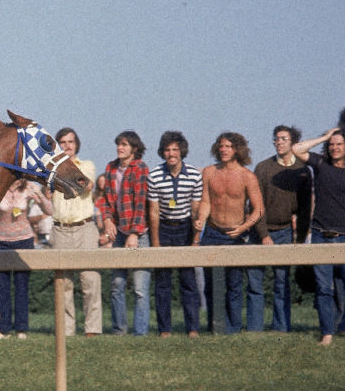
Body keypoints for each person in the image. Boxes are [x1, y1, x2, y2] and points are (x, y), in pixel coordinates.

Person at [194, 132, 263, 334]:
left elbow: (258, 209)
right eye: (221, 146)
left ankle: (232, 328)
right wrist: (201, 219)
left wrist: (243, 228)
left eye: (229, 146)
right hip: (213, 233)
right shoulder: (209, 172)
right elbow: (206, 201)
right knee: (211, 285)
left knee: (233, 284)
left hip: (236, 234)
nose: (224, 150)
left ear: (238, 150)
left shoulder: (247, 176)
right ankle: (215, 327)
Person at [253, 126, 311, 333]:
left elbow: (304, 208)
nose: (278, 142)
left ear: (293, 143)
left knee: (282, 282)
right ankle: (255, 329)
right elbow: (256, 205)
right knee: (255, 283)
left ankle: (281, 328)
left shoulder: (303, 171)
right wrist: (264, 234)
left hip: (286, 232)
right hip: (260, 232)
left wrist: (300, 237)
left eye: (283, 139)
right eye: (276, 139)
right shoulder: (262, 168)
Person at [292, 127, 345, 346]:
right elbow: (297, 149)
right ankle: (327, 333)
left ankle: (341, 327)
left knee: (343, 288)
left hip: (344, 237)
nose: (334, 147)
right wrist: (324, 136)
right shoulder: (321, 164)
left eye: (339, 143)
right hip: (321, 236)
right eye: (331, 144)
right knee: (324, 288)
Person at [147, 131, 203, 338]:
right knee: (162, 283)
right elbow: (153, 211)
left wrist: (195, 239)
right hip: (163, 227)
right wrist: (155, 242)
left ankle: (193, 328)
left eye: (175, 150)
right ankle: (165, 330)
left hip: (185, 228)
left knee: (188, 281)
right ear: (162, 152)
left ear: (182, 152)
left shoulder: (195, 175)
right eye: (167, 150)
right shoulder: (154, 175)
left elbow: (196, 210)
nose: (171, 154)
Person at [49, 128, 102, 337]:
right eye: (62, 142)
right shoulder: (52, 169)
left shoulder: (87, 165)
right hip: (60, 229)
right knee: (63, 284)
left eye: (70, 142)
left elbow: (85, 186)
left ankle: (93, 330)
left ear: (76, 144)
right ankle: (66, 330)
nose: (67, 146)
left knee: (90, 280)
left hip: (85, 228)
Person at [97, 131, 150, 336]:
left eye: (125, 145)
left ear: (134, 148)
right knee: (117, 285)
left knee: (139, 288)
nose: (120, 148)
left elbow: (141, 203)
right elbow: (105, 200)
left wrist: (134, 233)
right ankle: (119, 330)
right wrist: (108, 220)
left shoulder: (140, 168)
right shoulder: (111, 168)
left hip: (139, 233)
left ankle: (141, 333)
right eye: (119, 144)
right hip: (119, 232)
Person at [0, 180, 52, 339]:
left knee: (21, 286)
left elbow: (50, 210)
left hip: (24, 240)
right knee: (1, 286)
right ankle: (3, 329)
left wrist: (40, 196)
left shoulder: (31, 188)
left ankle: (21, 329)